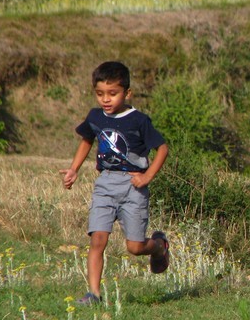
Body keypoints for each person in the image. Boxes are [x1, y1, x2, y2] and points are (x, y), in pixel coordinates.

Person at [60, 61, 170, 305]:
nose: (105, 100)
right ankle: (94, 295)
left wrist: (147, 176)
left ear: (127, 93)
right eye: (100, 94)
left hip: (134, 185)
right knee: (97, 238)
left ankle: (160, 246)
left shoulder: (139, 120)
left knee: (135, 247)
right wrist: (74, 169)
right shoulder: (95, 116)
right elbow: (87, 140)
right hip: (105, 184)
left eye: (112, 93)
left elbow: (162, 148)